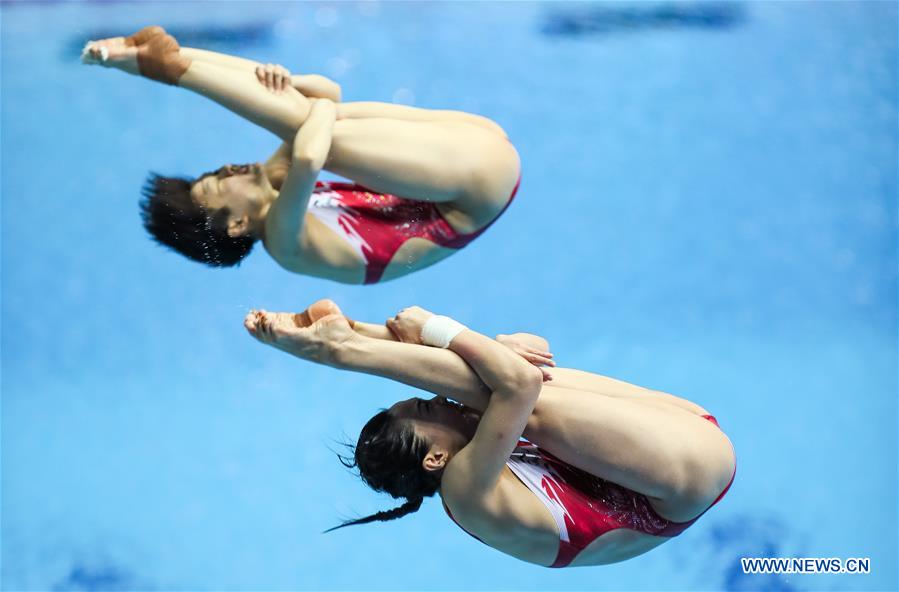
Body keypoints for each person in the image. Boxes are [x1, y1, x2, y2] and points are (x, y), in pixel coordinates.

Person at [243, 300, 737, 568]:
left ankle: (354, 334)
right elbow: (520, 385)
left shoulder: (477, 442)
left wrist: (501, 346)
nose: (436, 399)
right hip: (683, 480)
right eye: (423, 404)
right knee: (518, 396)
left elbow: (534, 358)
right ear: (434, 459)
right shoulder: (465, 489)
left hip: (678, 437)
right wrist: (437, 326)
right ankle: (344, 351)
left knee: (509, 380)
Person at [82, 27, 520, 283]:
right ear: (235, 224)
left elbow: (328, 93)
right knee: (315, 131)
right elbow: (310, 156)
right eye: (220, 182)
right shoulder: (285, 244)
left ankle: (166, 55)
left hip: (473, 148)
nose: (231, 169)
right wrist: (308, 101)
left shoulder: (273, 184)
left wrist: (290, 81)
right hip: (475, 189)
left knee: (316, 119)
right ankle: (172, 68)